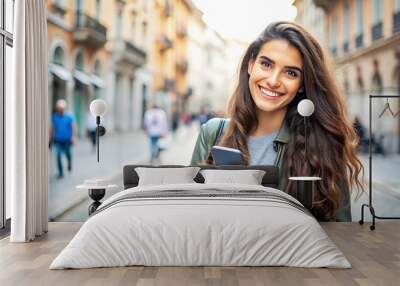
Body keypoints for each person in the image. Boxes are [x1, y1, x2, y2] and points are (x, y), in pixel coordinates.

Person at [191, 22, 364, 222]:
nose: (273, 80)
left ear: (301, 85)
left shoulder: (322, 144)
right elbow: (193, 216)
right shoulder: (213, 133)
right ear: (250, 65)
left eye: (291, 73)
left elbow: (341, 233)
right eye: (266, 64)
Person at [50, 99, 77, 178]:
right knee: (58, 155)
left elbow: (73, 127)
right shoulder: (54, 116)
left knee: (68, 154)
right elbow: (52, 128)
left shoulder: (69, 116)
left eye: (61, 108)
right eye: (59, 108)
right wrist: (51, 138)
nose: (60, 110)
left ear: (64, 108)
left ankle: (69, 163)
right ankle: (61, 172)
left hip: (67, 140)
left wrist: (74, 136)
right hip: (58, 140)